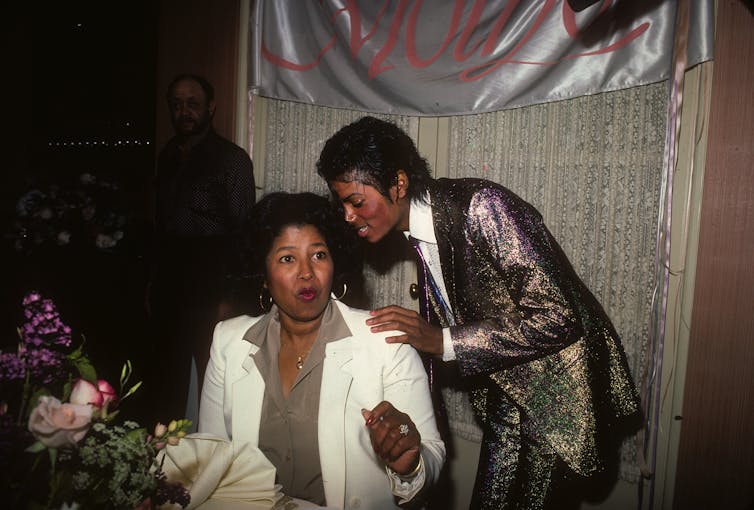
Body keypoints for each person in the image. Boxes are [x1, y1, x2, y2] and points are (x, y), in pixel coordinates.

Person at [316, 116, 641, 510]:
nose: (348, 216)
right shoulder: (420, 235)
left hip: (556, 407)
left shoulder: (481, 208)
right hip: (507, 401)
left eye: (355, 201)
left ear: (398, 185)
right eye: (342, 204)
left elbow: (558, 316)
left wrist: (441, 339)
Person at [198, 192, 445, 509]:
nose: (306, 273)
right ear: (263, 276)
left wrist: (410, 464)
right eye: (288, 258)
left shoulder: (385, 341)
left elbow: (432, 455)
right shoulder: (228, 341)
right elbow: (210, 458)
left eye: (318, 255)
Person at [148, 74, 255, 424]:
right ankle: (164, 465)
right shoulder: (168, 155)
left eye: (192, 103)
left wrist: (230, 295)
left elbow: (244, 234)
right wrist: (152, 283)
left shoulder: (232, 159)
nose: (184, 112)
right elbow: (160, 225)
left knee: (215, 382)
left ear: (210, 107)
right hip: (170, 280)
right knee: (166, 379)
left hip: (212, 280)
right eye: (176, 104)